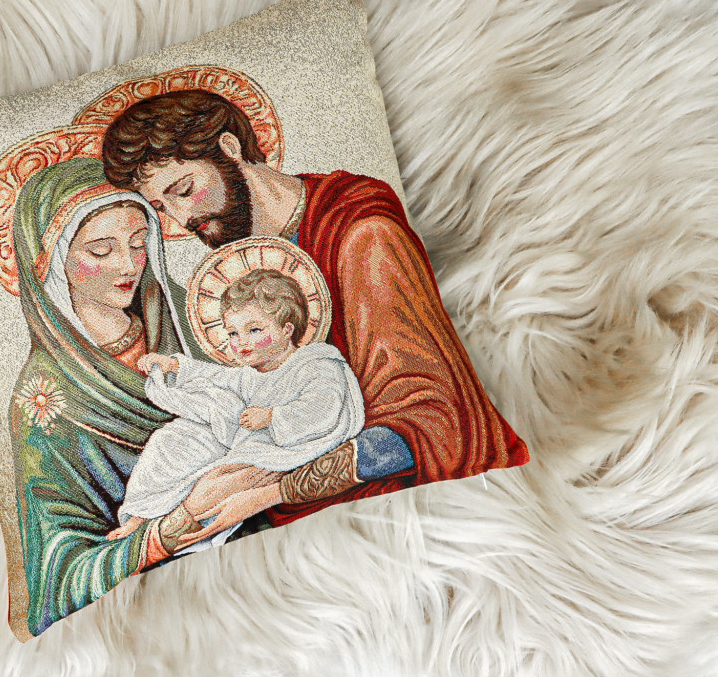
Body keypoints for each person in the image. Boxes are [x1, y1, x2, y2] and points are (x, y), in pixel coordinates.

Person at [100, 88, 530, 545]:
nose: (181, 218)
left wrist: (270, 491)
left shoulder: (361, 234)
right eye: (162, 208)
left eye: (184, 190)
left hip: (404, 509)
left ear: (229, 148)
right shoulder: (242, 266)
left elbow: (430, 422)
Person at [8, 157, 280, 636]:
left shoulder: (192, 324)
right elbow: (60, 578)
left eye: (138, 244)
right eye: (101, 249)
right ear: (50, 260)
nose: (127, 265)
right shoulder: (46, 401)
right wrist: (182, 519)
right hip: (158, 613)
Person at [107, 268, 364, 543]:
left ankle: (166, 528)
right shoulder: (255, 372)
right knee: (170, 438)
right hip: (245, 439)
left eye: (254, 330)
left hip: (285, 448)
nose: (241, 342)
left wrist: (272, 417)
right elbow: (218, 376)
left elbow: (322, 411)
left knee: (213, 483)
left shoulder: (318, 365)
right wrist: (175, 366)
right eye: (232, 333)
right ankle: (140, 514)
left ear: (287, 329)